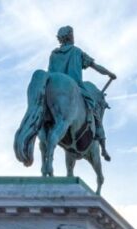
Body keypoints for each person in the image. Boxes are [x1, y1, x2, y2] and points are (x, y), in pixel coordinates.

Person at [48, 26, 115, 161]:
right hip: (76, 89)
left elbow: (50, 74)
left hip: (52, 92)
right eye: (72, 35)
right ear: (70, 37)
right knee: (94, 112)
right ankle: (102, 146)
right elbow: (96, 67)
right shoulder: (77, 52)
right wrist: (109, 73)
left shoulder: (54, 54)